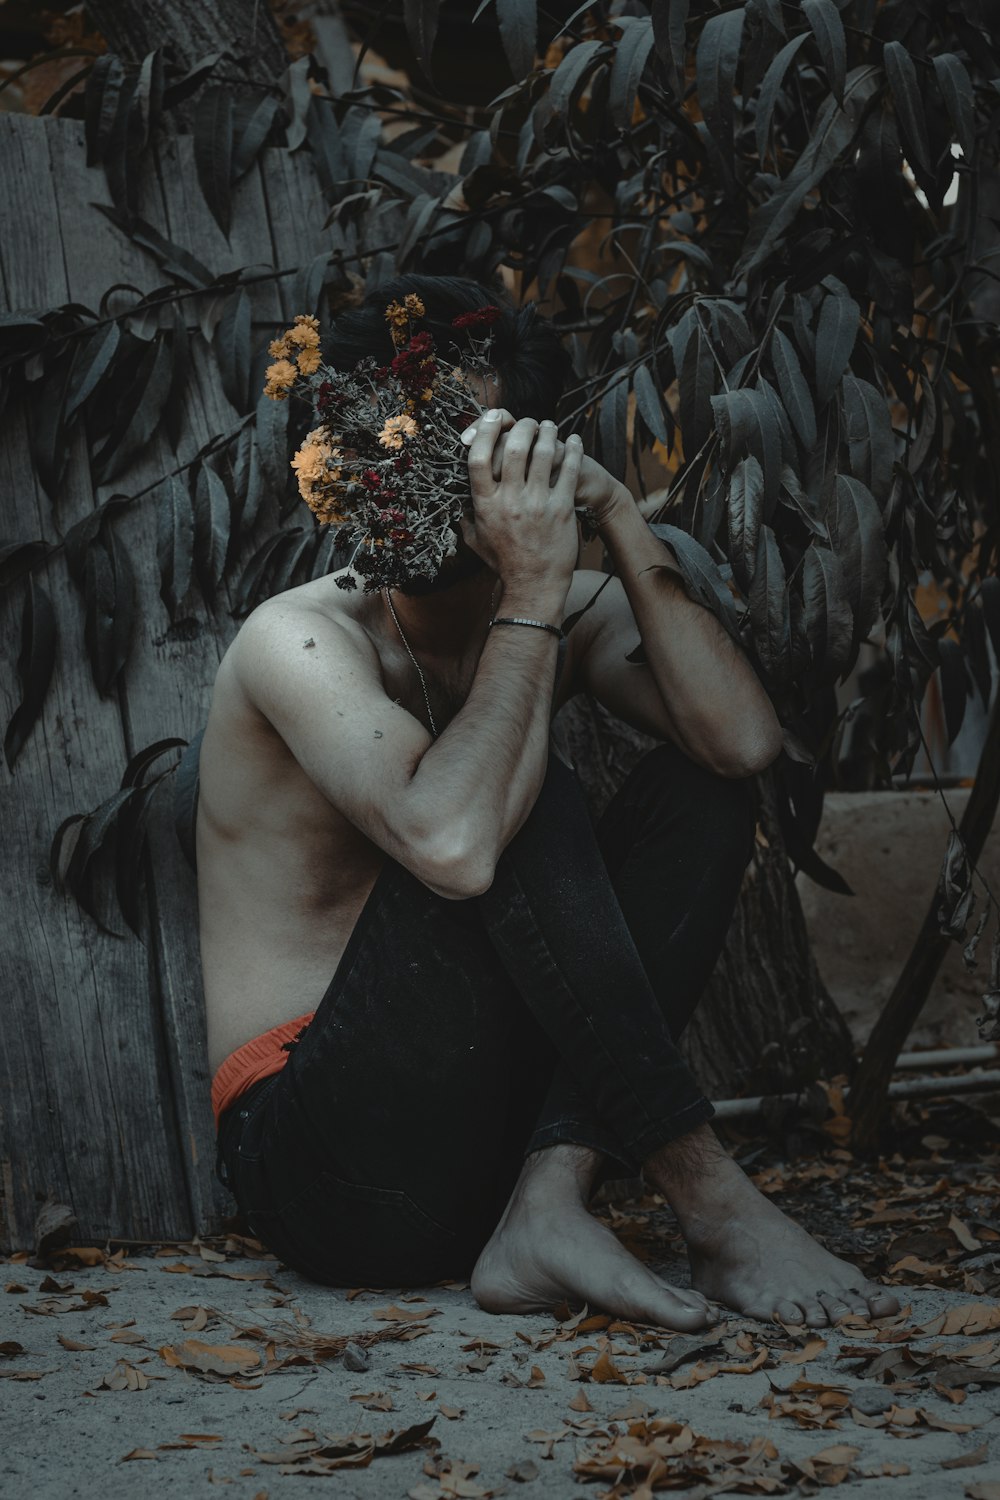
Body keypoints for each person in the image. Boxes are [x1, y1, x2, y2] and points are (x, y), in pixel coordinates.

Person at [201, 275, 900, 1330]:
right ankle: (708, 1199)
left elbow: (741, 744)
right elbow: (455, 842)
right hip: (326, 1168)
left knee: (695, 793)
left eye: (457, 445)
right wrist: (533, 593)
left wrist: (612, 509)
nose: (417, 472)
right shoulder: (297, 642)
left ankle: (552, 1203)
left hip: (490, 1136)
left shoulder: (560, 606)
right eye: (391, 445)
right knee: (505, 791)